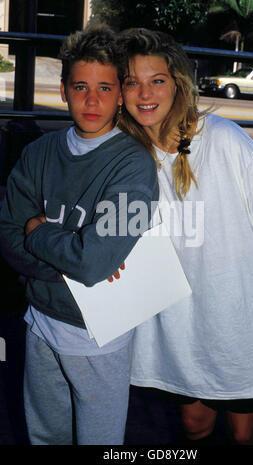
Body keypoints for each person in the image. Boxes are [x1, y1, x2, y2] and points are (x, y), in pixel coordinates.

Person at [116, 28, 253, 445]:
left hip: (235, 315)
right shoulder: (126, 151)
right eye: (132, 82)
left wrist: (226, 249)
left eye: (156, 80)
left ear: (177, 83)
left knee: (242, 429)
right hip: (176, 319)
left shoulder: (222, 137)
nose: (145, 93)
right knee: (195, 424)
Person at [0, 25, 158, 445]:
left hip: (98, 335)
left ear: (121, 94)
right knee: (44, 435)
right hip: (39, 322)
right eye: (81, 87)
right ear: (64, 89)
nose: (92, 100)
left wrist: (39, 232)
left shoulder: (133, 165)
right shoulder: (38, 153)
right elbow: (9, 239)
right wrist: (70, 263)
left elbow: (94, 262)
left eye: (105, 88)